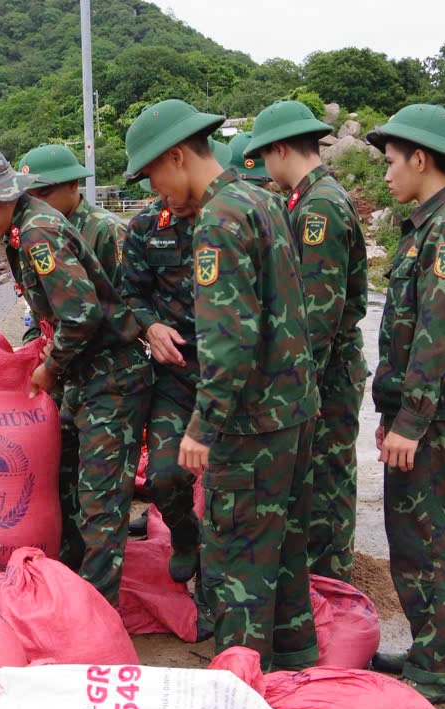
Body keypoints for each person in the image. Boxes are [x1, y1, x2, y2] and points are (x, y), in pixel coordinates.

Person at [125, 99, 319, 670]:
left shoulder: (218, 221)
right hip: (290, 408)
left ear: (178, 156)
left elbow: (230, 337)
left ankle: (240, 685)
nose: (156, 190)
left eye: (153, 173)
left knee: (236, 556)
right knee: (283, 547)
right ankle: (294, 661)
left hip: (249, 419)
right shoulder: (260, 199)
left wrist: (203, 426)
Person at [0, 144, 152, 606]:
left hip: (109, 375)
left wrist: (49, 370)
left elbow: (82, 316)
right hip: (85, 373)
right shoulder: (21, 230)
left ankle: (97, 611)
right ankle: (69, 582)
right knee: (64, 474)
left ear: (0, 194)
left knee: (100, 501)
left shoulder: (37, 233)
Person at [365, 104, 445, 704]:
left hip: (438, 418)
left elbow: (437, 334)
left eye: (392, 162)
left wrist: (411, 421)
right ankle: (428, 649)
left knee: (435, 536)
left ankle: (443, 665)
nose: (387, 173)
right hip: (420, 414)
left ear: (421, 158)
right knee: (412, 536)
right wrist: (394, 414)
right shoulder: (427, 225)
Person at [245, 100, 369, 583]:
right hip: (317, 369)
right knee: (316, 479)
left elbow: (319, 312)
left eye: (264, 157)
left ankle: (331, 585)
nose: (264, 168)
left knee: (327, 480)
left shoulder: (319, 207)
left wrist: (302, 384)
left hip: (326, 369)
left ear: (280, 149)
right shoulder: (307, 200)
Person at [117, 151, 203, 584]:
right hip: (176, 377)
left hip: (234, 375)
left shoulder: (232, 220)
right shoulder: (146, 228)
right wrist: (150, 327)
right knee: (164, 476)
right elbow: (129, 293)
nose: (159, 192)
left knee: (233, 493)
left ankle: (216, 599)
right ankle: (186, 535)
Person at [18, 143, 127, 287]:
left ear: (73, 184)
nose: (36, 204)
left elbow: (130, 298)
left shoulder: (107, 230)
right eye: (29, 198)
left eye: (44, 193)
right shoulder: (37, 232)